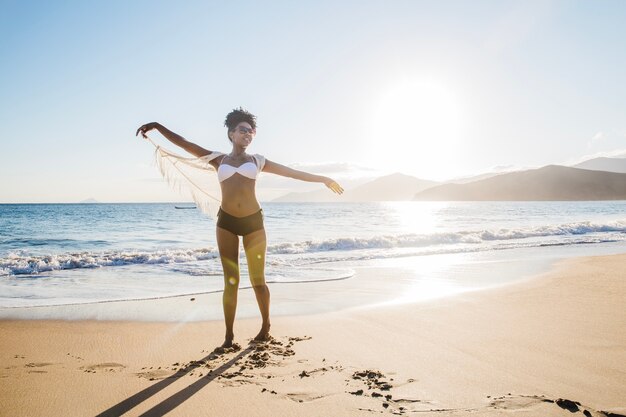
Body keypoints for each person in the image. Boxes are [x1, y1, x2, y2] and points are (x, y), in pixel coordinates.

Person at [136, 108, 343, 348]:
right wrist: (158, 126)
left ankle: (265, 326)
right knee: (231, 281)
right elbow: (184, 144)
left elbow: (292, 173)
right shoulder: (218, 159)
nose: (249, 134)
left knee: (258, 281)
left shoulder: (258, 161)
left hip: (254, 223)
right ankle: (228, 337)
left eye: (252, 131)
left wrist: (324, 179)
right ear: (231, 133)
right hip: (226, 223)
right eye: (244, 130)